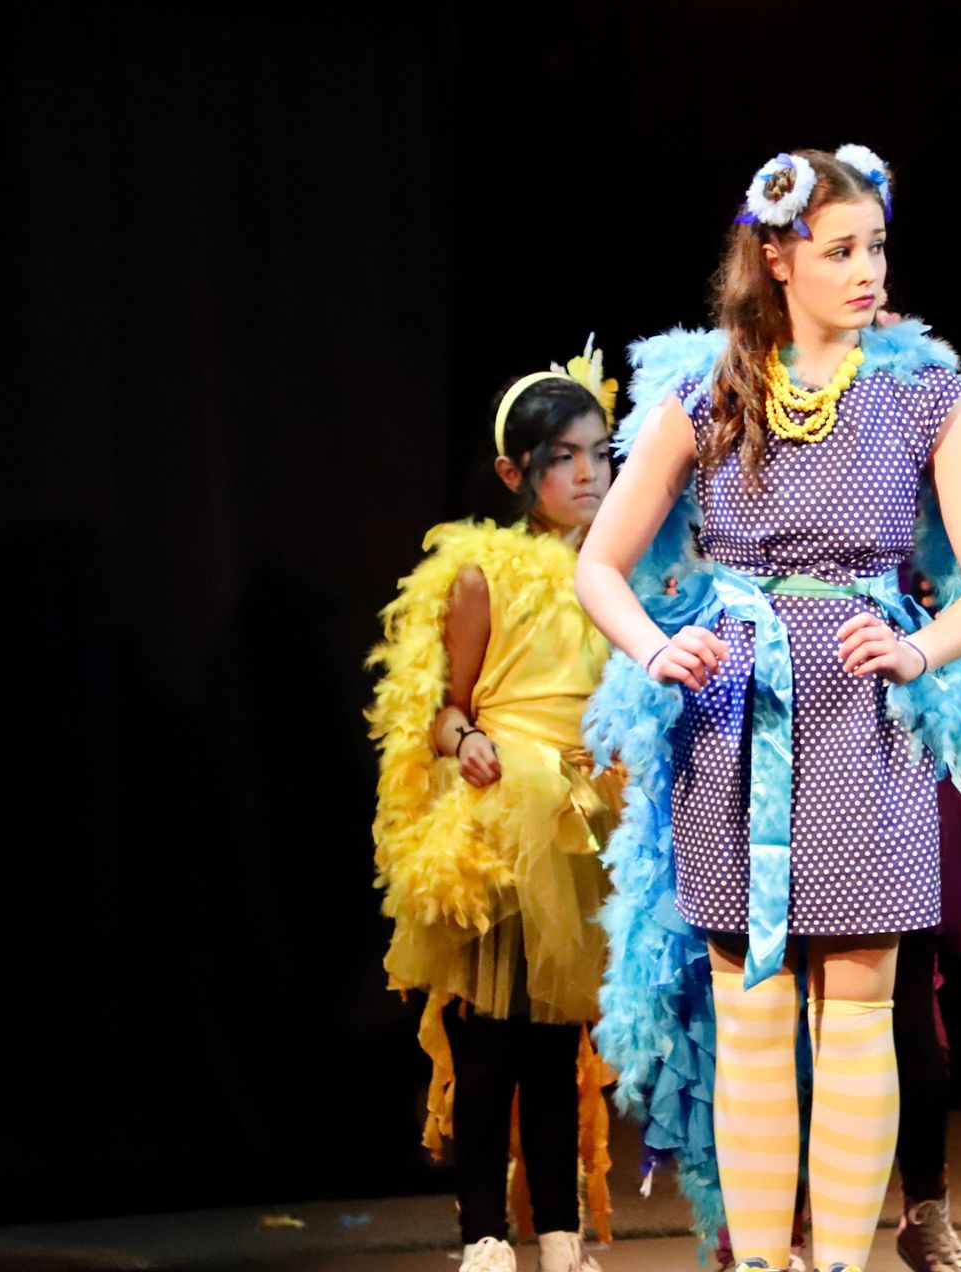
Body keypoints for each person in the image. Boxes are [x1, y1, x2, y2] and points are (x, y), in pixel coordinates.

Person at [576, 145, 961, 1272]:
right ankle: (765, 1259)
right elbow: (601, 564)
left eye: (876, 245)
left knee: (862, 1005)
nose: (868, 268)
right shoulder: (706, 389)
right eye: (840, 250)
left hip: (864, 725)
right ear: (776, 258)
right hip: (735, 718)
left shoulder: (921, 394)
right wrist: (655, 643)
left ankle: (839, 1264)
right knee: (754, 1006)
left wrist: (920, 647)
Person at [367, 345, 625, 1272]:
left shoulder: (625, 569)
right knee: (490, 1049)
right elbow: (445, 704)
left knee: (558, 1046)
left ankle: (558, 1232)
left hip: (583, 818)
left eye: (599, 450)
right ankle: (483, 1233)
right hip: (504, 815)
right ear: (518, 472)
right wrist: (462, 740)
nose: (589, 473)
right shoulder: (486, 575)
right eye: (564, 456)